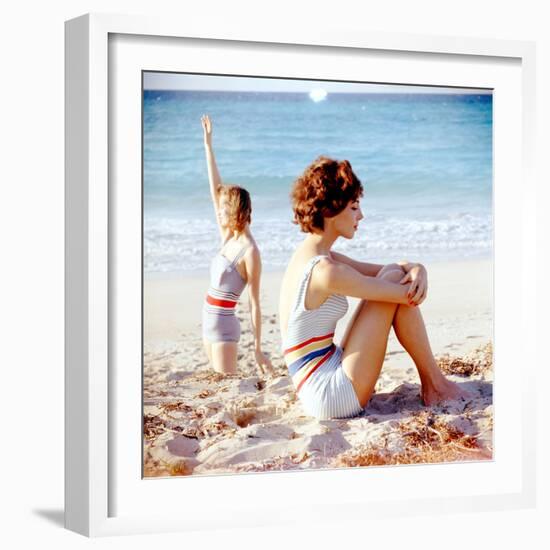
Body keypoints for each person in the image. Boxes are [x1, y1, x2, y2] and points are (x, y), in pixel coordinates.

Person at [279, 156, 470, 420]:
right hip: (329, 395)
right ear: (330, 210)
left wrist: (417, 267)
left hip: (320, 372)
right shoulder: (326, 272)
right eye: (354, 207)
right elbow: (405, 294)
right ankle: (436, 385)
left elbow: (388, 270)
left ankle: (435, 383)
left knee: (392, 274)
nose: (361, 215)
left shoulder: (314, 256)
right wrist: (414, 278)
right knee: (393, 280)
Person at [201, 114, 273, 376]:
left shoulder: (250, 252)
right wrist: (208, 146)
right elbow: (215, 189)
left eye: (222, 209)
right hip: (207, 320)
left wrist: (257, 348)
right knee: (215, 383)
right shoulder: (227, 235)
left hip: (223, 329)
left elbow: (254, 303)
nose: (217, 212)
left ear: (232, 211)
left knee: (226, 386)